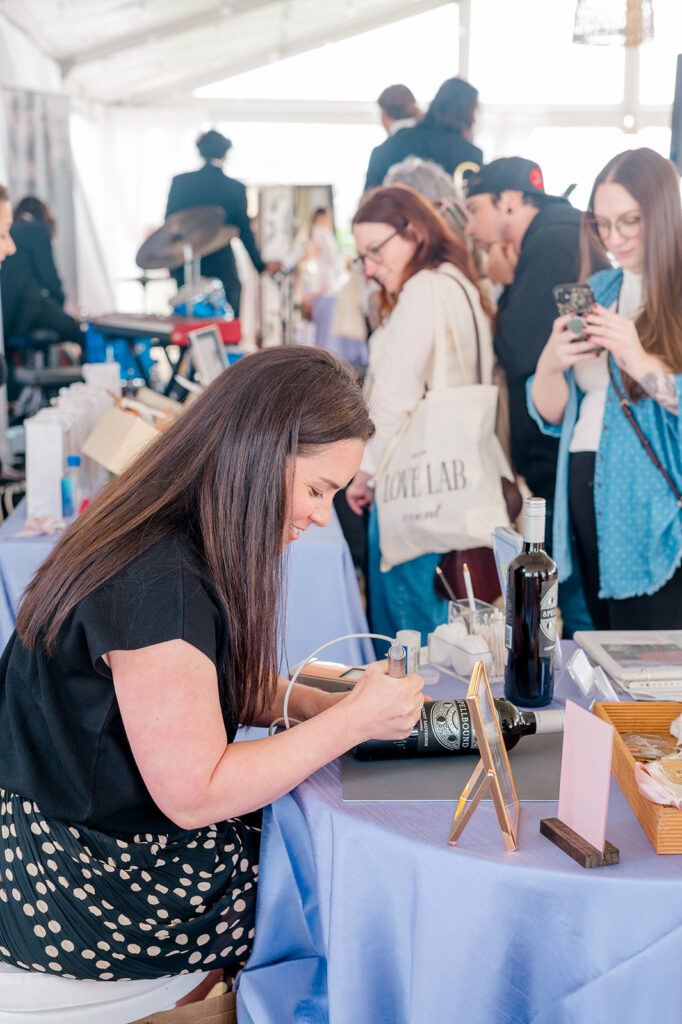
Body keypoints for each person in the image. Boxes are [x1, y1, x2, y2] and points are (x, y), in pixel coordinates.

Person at [0, 346, 425, 982]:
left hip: (72, 839)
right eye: (315, 489)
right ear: (255, 454)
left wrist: (320, 701)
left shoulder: (172, 528)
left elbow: (213, 686)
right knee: (349, 885)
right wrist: (350, 724)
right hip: (89, 881)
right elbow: (197, 794)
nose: (319, 514)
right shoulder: (158, 582)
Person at [529, 147, 682, 630]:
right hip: (583, 493)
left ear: (661, 213)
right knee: (600, 650)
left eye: (629, 221)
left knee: (652, 663)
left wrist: (636, 358)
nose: (615, 237)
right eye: (602, 224)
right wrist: (551, 365)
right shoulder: (602, 286)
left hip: (652, 502)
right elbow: (555, 415)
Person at [345, 185, 494, 645]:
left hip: (413, 495)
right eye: (362, 256)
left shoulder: (422, 289)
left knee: (409, 647)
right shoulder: (458, 282)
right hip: (461, 487)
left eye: (376, 251)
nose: (370, 268)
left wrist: (362, 473)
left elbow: (393, 397)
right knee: (451, 645)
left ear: (413, 231)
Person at [165, 129, 279, 316]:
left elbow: (169, 226)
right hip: (220, 261)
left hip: (185, 262)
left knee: (188, 315)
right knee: (226, 315)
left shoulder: (181, 183)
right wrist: (260, 266)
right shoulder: (234, 188)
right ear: (226, 154)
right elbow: (244, 231)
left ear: (200, 151)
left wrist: (169, 261)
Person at [363, 77, 482, 193]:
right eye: (474, 112)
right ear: (466, 114)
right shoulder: (470, 155)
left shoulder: (390, 146)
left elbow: (368, 201)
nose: (474, 121)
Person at [0, 195, 80, 348]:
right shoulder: (37, 231)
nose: (11, 248)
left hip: (8, 315)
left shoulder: (14, 229)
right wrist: (60, 302)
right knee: (78, 332)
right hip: (28, 309)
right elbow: (50, 277)